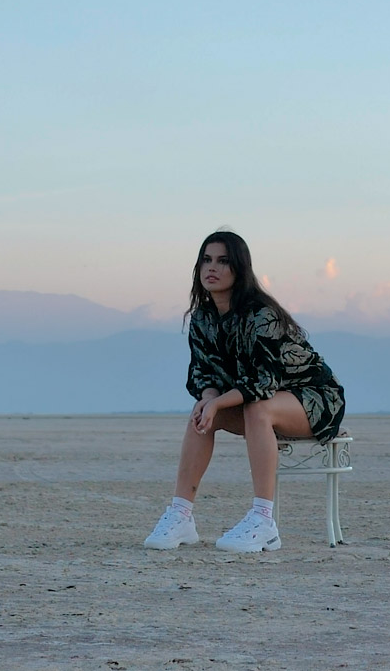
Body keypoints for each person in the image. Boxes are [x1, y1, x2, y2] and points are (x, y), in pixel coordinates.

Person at [144, 231, 345, 553]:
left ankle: (263, 521)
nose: (212, 267)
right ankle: (181, 515)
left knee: (258, 407)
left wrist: (218, 402)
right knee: (201, 412)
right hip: (263, 400)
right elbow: (202, 372)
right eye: (206, 260)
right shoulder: (202, 318)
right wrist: (209, 400)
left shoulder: (261, 314)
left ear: (239, 269)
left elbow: (264, 382)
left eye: (223, 261)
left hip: (314, 398)